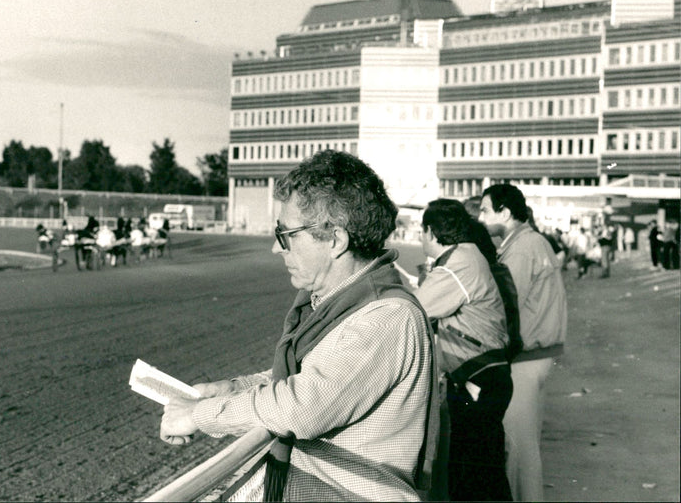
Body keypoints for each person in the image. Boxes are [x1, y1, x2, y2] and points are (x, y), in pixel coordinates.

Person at [160, 150, 438, 501]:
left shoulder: (387, 318)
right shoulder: (343, 302)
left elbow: (303, 406)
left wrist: (200, 415)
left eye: (286, 234)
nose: (278, 250)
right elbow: (316, 376)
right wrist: (231, 389)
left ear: (336, 240)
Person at [414, 199, 513, 501]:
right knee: (484, 472)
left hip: (477, 379)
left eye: (422, 232)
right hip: (486, 376)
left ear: (431, 232)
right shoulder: (467, 256)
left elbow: (412, 310)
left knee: (473, 476)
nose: (420, 239)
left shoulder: (457, 265)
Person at [479, 184, 567, 502]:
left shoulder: (520, 249)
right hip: (543, 353)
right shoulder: (534, 242)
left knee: (518, 450)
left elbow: (504, 304)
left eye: (485, 210)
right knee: (526, 447)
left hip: (527, 357)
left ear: (505, 212)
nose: (480, 216)